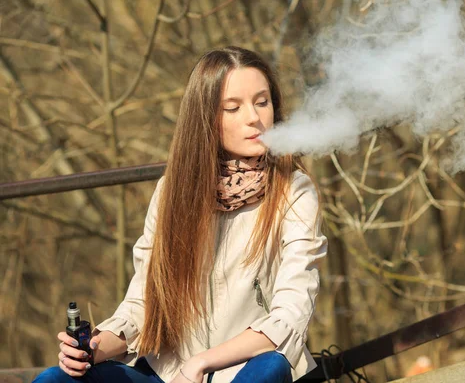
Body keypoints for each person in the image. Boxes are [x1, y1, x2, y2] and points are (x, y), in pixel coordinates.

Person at [33, 46, 328, 383]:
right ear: (205, 118)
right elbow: (144, 305)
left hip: (247, 371)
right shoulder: (172, 191)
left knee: (270, 367)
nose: (253, 117)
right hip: (169, 372)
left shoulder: (295, 191)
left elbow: (290, 318)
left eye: (262, 102)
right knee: (53, 380)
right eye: (232, 107)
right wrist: (92, 348)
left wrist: (202, 363)